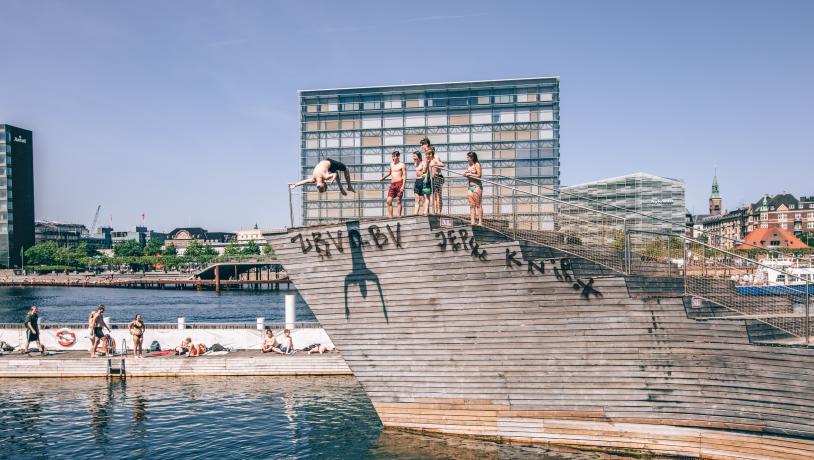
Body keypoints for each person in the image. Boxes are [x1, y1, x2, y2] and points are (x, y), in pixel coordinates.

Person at [289, 158, 355, 195]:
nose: (318, 188)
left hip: (327, 163)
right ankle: (348, 187)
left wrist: (295, 185)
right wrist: (332, 179)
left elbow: (304, 181)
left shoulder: (313, 179)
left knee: (339, 170)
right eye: (321, 188)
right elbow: (335, 175)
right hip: (330, 164)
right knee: (344, 169)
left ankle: (344, 187)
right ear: (323, 183)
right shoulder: (325, 176)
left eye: (319, 189)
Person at [380, 150, 407, 217]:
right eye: (392, 157)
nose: (393, 158)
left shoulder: (402, 165)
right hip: (392, 184)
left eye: (394, 156)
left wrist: (403, 186)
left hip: (399, 183)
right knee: (389, 201)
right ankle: (390, 216)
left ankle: (398, 216)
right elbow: (389, 172)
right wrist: (383, 178)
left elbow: (404, 176)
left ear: (398, 157)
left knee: (398, 201)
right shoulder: (391, 164)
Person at [464, 151, 483, 225]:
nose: (467, 158)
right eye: (467, 157)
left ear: (472, 158)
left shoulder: (477, 164)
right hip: (470, 186)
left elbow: (479, 175)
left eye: (468, 157)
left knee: (478, 204)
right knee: (472, 205)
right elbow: (467, 173)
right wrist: (465, 174)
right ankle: (472, 222)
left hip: (477, 186)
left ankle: (480, 222)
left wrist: (470, 174)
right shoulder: (469, 165)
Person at [425, 147, 445, 214]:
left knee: (437, 194)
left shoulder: (435, 160)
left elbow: (442, 164)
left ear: (430, 154)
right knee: (434, 195)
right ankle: (435, 210)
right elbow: (426, 170)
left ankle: (438, 210)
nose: (426, 156)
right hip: (432, 179)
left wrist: (435, 165)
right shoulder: (429, 161)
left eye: (427, 155)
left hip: (437, 177)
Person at [412, 151, 429, 216]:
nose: (413, 158)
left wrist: (424, 181)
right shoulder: (415, 164)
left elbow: (425, 172)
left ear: (419, 157)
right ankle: (415, 213)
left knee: (423, 198)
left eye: (414, 156)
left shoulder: (423, 163)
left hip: (422, 181)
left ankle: (425, 212)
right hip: (417, 181)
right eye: (413, 156)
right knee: (416, 198)